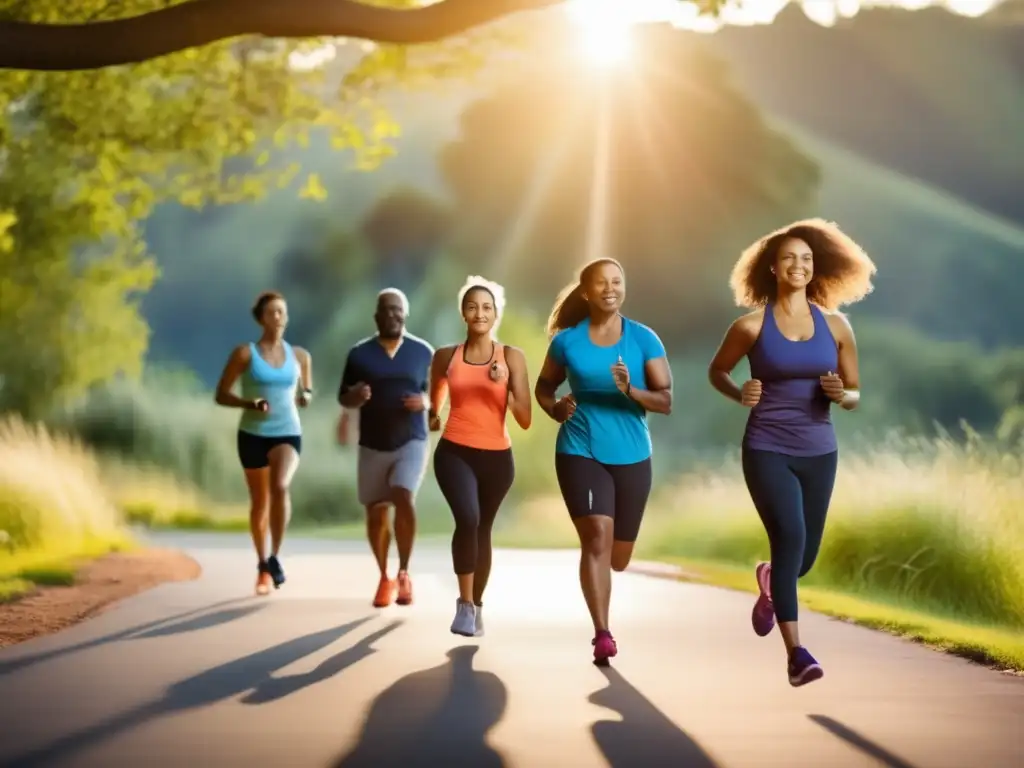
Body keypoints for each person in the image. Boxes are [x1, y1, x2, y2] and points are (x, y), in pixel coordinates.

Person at [707, 218, 875, 687]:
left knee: (802, 560)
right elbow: (717, 371)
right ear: (773, 269)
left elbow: (857, 392)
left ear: (814, 267)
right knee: (791, 537)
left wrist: (842, 394)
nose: (798, 266)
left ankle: (768, 581)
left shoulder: (838, 326)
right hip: (767, 447)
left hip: (820, 450)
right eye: (789, 259)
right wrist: (739, 391)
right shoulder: (750, 325)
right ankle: (796, 654)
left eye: (806, 259)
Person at [534, 258, 673, 666]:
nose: (610, 289)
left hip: (632, 453)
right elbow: (544, 388)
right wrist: (555, 409)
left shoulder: (644, 339)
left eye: (617, 281)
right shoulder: (566, 342)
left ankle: (605, 609)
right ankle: (602, 634)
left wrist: (631, 390)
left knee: (619, 557)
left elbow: (665, 401)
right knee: (596, 536)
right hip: (580, 448)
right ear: (586, 292)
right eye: (601, 283)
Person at [428, 276, 533, 637]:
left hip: (497, 459)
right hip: (454, 451)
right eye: (472, 306)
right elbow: (437, 386)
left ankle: (478, 605)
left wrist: (503, 382)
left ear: (496, 313)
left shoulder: (512, 357)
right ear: (463, 313)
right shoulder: (447, 355)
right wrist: (433, 411)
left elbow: (525, 417)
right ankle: (464, 605)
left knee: (483, 529)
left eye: (486, 307)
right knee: (468, 519)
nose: (479, 313)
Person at [337, 288, 434, 608]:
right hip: (373, 443)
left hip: (412, 439)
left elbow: (438, 395)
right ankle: (384, 577)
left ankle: (405, 573)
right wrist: (356, 397)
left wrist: (426, 402)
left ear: (405, 314)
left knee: (403, 493)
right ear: (376, 315)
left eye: (398, 310)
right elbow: (343, 395)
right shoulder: (359, 354)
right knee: (376, 513)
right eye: (386, 310)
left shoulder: (422, 352)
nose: (392, 315)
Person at [214, 290, 312, 596]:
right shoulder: (245, 354)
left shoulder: (300, 356)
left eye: (282, 312)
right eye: (272, 313)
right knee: (260, 501)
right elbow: (221, 394)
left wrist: (305, 396)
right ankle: (261, 565)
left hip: (287, 431)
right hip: (253, 433)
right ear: (261, 318)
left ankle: (275, 556)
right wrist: (248, 403)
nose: (278, 318)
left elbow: (306, 391)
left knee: (280, 487)